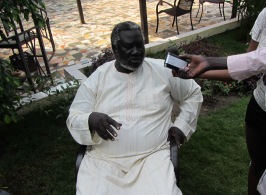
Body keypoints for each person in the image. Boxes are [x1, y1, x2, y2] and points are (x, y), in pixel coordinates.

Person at [66, 21, 203, 195]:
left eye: (140, 45)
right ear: (115, 49)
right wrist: (90, 119)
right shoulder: (98, 78)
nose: (137, 51)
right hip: (104, 162)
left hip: (152, 159)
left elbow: (193, 93)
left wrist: (181, 126)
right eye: (129, 47)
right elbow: (74, 116)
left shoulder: (163, 71)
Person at [173, 49, 266, 195]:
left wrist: (207, 63)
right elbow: (254, 60)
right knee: (257, 165)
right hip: (259, 107)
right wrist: (206, 65)